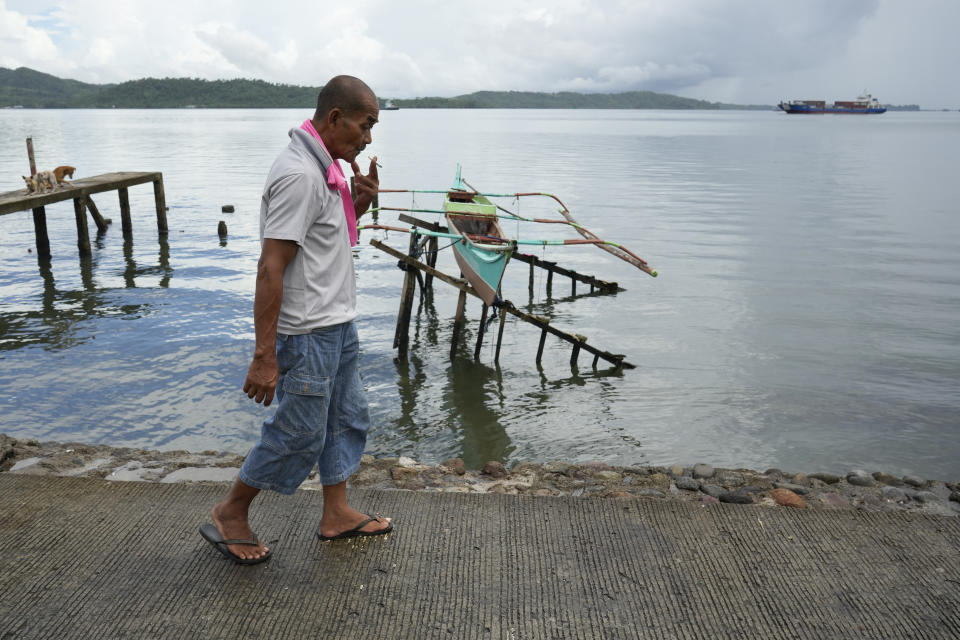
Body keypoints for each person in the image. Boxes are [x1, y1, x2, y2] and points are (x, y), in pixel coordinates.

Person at [200, 75, 390, 565]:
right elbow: (271, 266)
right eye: (365, 124)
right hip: (306, 333)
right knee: (298, 431)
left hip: (336, 324)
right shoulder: (300, 175)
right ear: (334, 118)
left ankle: (337, 512)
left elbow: (322, 244)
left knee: (345, 419)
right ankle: (231, 513)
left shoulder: (324, 169)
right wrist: (264, 354)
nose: (368, 137)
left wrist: (358, 204)